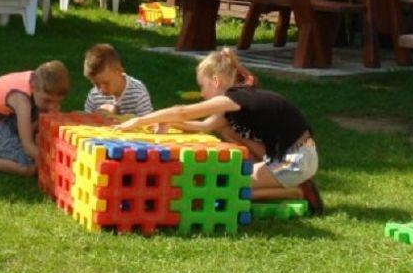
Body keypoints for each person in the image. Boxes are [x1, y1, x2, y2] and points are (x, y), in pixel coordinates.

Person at [121, 47, 324, 213]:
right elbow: (204, 127)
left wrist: (139, 120)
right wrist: (169, 123)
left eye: (202, 86)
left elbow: (182, 111)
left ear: (216, 81)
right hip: (293, 154)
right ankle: (283, 182)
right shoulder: (236, 101)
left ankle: (295, 191)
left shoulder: (234, 100)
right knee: (227, 133)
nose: (201, 93)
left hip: (295, 160)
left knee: (225, 187)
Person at [81, 42, 152, 119]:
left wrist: (116, 117)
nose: (101, 90)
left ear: (119, 71)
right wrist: (97, 116)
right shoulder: (94, 95)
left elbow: (147, 125)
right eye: (96, 84)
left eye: (106, 83)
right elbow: (87, 123)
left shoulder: (138, 94)